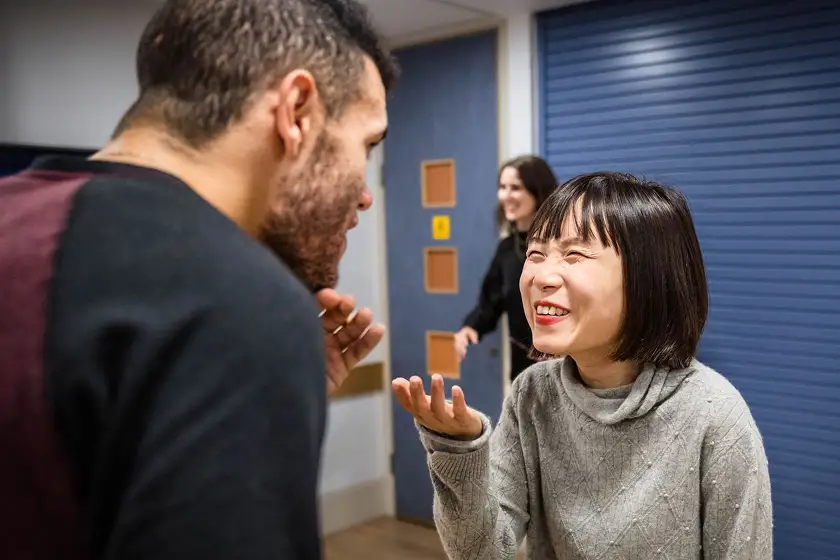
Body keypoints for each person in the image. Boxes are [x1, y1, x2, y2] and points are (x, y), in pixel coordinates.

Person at [0, 0, 398, 558]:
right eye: (367, 145)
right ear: (297, 112)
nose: (364, 193)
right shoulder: (237, 303)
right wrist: (253, 358)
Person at [394, 172, 773, 559]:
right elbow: (485, 553)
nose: (541, 276)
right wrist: (460, 453)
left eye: (574, 255)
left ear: (649, 278)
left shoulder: (715, 415)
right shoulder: (532, 395)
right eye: (535, 254)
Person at [454, 155, 558, 382]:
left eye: (515, 188)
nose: (506, 196)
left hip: (564, 365)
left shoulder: (561, 246)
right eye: (502, 187)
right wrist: (470, 328)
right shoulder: (507, 249)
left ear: (537, 192)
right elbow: (490, 302)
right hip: (523, 369)